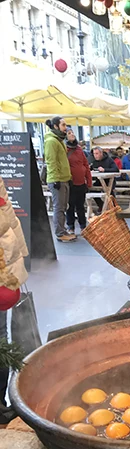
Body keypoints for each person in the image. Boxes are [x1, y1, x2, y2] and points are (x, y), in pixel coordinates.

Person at [0, 176, 29, 423]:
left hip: (4, 272)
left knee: (2, 340)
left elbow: (7, 214)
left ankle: (0, 404)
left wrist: (18, 264)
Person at [44, 116, 76, 243]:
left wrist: (68, 177)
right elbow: (51, 161)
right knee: (59, 207)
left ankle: (62, 230)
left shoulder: (59, 140)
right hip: (57, 180)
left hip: (64, 179)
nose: (66, 127)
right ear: (56, 126)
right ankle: (60, 233)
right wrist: (56, 179)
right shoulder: (51, 141)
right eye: (63, 125)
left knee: (63, 206)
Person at [66, 130, 92, 234]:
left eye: (72, 132)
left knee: (80, 206)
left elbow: (86, 165)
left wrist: (88, 181)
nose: (72, 134)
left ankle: (83, 226)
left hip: (81, 183)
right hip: (70, 183)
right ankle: (70, 226)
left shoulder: (79, 150)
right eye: (69, 133)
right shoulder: (64, 150)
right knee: (70, 206)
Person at [89, 146, 119, 210]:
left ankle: (114, 207)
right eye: (94, 154)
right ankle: (102, 206)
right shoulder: (93, 161)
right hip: (99, 180)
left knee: (109, 191)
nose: (95, 156)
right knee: (92, 190)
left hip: (109, 180)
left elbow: (116, 169)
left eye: (97, 153)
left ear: (101, 153)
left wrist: (105, 169)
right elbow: (92, 168)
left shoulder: (109, 159)